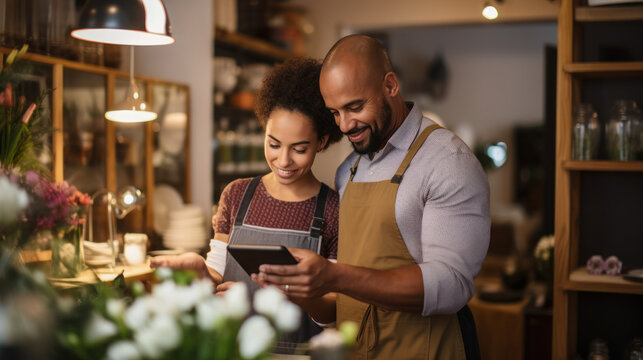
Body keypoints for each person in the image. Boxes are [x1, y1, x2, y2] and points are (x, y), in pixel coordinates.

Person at [253, 35, 490, 360]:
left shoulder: (447, 161)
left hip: (426, 350)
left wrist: (335, 276)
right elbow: (341, 305)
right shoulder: (348, 169)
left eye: (355, 107)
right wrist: (300, 290)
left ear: (390, 85)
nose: (345, 125)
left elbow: (451, 285)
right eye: (334, 112)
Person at [151, 57, 342, 353]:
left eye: (299, 149)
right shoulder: (238, 194)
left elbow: (332, 312)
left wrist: (278, 295)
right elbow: (217, 275)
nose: (284, 160)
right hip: (233, 350)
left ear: (322, 141)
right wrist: (200, 272)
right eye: (274, 144)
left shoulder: (332, 208)